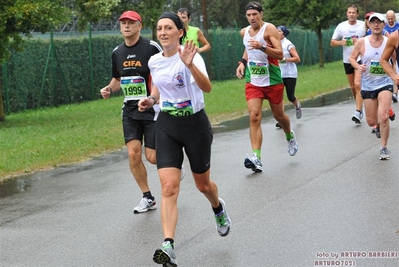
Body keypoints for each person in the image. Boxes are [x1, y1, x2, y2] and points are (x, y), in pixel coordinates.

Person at [138, 12, 231, 266]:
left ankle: (217, 207)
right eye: (159, 28)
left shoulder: (192, 56)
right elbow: (158, 85)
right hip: (167, 124)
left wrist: (189, 64)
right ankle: (168, 245)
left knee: (203, 185)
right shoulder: (155, 61)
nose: (163, 32)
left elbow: (207, 87)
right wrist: (151, 99)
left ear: (180, 32)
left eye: (169, 28)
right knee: (168, 187)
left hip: (195, 125)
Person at [99, 11, 162, 214]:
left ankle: (173, 161)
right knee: (133, 154)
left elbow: (162, 75)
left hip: (151, 107)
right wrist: (109, 89)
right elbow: (117, 79)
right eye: (123, 23)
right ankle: (147, 197)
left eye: (130, 23)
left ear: (139, 26)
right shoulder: (117, 52)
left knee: (152, 157)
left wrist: (153, 99)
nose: (126, 26)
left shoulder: (151, 47)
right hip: (130, 109)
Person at [236, 1, 299, 173]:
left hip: (272, 80)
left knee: (279, 115)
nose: (251, 18)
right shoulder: (245, 32)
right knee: (254, 116)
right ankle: (256, 157)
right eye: (248, 15)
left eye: (254, 14)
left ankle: (289, 134)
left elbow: (279, 54)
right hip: (253, 81)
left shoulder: (269, 29)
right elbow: (247, 49)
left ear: (261, 14)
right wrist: (242, 62)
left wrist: (263, 47)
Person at [349, 13, 394, 160]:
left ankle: (384, 147)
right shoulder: (362, 42)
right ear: (368, 24)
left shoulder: (389, 41)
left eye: (379, 22)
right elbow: (351, 58)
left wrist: (395, 78)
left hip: (385, 83)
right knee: (371, 121)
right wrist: (357, 66)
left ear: (383, 24)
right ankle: (378, 127)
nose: (376, 24)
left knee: (383, 116)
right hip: (368, 85)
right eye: (373, 22)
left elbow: (395, 60)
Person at [331, 4, 365, 124]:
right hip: (347, 59)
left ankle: (357, 110)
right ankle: (360, 108)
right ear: (347, 14)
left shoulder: (362, 25)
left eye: (353, 13)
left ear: (357, 14)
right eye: (349, 12)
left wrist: (360, 41)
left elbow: (370, 37)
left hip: (359, 59)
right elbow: (332, 42)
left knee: (357, 84)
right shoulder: (341, 26)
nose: (351, 15)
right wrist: (341, 42)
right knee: (352, 86)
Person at [275, 25, 302, 129]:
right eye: (276, 31)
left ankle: (297, 105)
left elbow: (297, 58)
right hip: (279, 73)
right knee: (279, 96)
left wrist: (285, 59)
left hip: (290, 73)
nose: (277, 33)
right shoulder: (274, 44)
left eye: (279, 31)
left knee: (290, 96)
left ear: (284, 33)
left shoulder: (288, 44)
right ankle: (281, 119)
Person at [384, 10, 399, 102]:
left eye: (391, 18)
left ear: (394, 18)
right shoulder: (384, 27)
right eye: (388, 18)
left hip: (395, 52)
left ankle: (395, 92)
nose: (390, 20)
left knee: (395, 65)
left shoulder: (398, 26)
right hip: (387, 50)